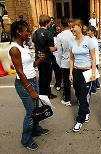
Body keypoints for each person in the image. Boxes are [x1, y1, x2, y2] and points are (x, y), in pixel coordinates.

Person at [8, 20, 49, 150]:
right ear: (19, 32)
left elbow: (30, 66)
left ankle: (36, 130)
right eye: (26, 31)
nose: (29, 33)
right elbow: (20, 72)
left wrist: (40, 59)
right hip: (24, 84)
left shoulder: (24, 46)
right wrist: (30, 90)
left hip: (32, 80)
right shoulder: (14, 49)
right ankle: (26, 139)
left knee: (36, 109)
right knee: (30, 113)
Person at [69, 19, 96, 132]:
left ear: (80, 26)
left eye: (73, 27)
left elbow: (93, 58)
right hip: (76, 72)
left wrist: (93, 73)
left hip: (87, 72)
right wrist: (70, 73)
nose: (71, 29)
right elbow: (71, 59)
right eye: (70, 27)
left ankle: (80, 120)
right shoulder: (71, 42)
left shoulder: (89, 41)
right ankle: (86, 111)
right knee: (78, 94)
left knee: (83, 96)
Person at [32, 14, 57, 99]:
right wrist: (57, 47)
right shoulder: (48, 34)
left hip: (38, 58)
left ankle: (41, 92)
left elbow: (33, 46)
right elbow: (51, 49)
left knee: (42, 76)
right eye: (49, 22)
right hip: (46, 58)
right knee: (47, 77)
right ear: (47, 23)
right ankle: (47, 93)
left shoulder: (35, 33)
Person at [56, 17, 74, 106]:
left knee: (66, 82)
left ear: (61, 25)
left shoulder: (60, 36)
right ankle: (79, 99)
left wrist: (59, 63)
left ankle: (67, 100)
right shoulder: (73, 34)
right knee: (76, 82)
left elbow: (59, 52)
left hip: (65, 61)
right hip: (74, 61)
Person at [87, 25, 100, 94]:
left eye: (88, 31)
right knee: (96, 73)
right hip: (95, 60)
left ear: (92, 32)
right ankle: (97, 85)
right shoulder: (93, 39)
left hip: (93, 60)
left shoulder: (92, 40)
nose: (87, 32)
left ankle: (93, 89)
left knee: (93, 74)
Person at [52, 24, 63, 91]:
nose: (59, 31)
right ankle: (58, 84)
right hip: (55, 57)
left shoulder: (62, 37)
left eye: (60, 30)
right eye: (57, 30)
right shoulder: (53, 38)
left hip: (62, 57)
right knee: (57, 72)